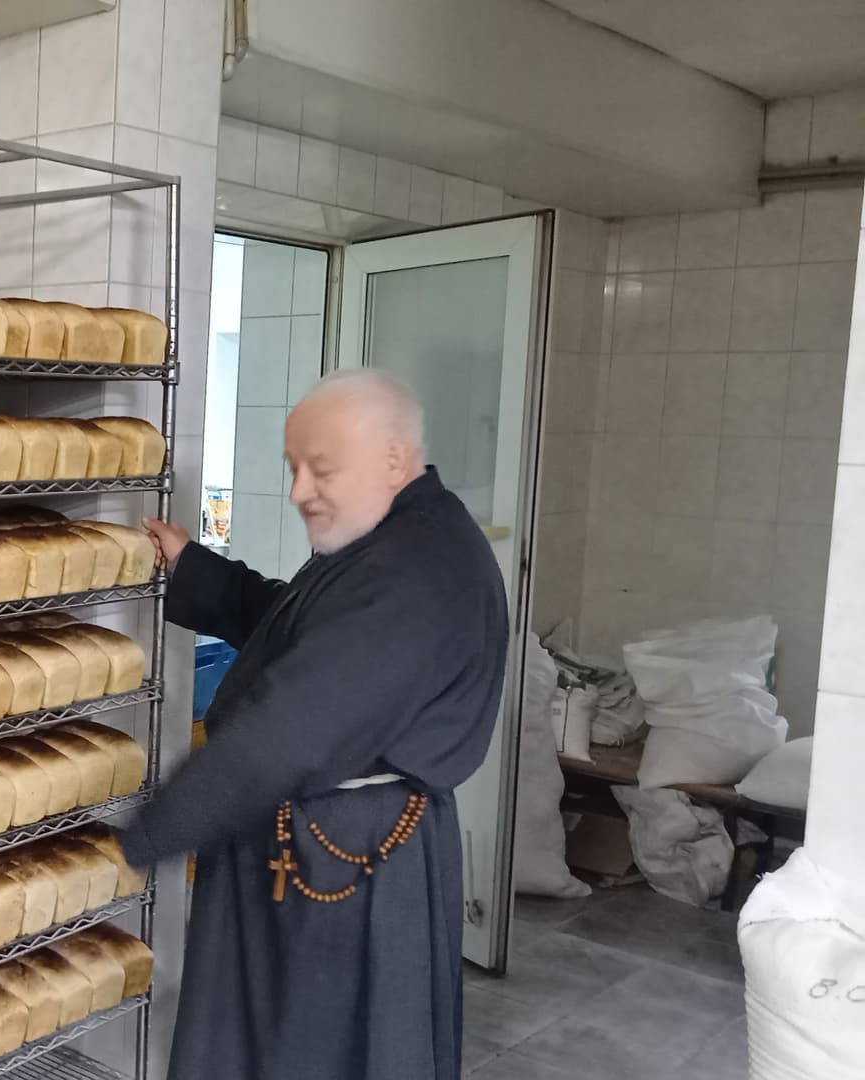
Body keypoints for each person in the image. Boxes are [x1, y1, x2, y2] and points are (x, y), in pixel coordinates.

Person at [120, 369, 510, 1079]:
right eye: (294, 467)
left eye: (320, 469)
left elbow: (290, 730)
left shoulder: (413, 569)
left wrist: (136, 839)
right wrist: (194, 567)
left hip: (350, 859)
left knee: (322, 1052)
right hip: (334, 844)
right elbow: (299, 628)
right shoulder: (397, 533)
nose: (300, 491)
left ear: (393, 458)